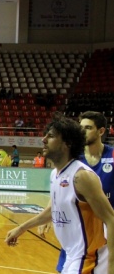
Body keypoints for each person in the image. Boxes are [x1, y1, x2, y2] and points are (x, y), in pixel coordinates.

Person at [5, 114, 114, 273]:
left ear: (67, 143)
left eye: (51, 136)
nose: (43, 140)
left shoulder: (81, 176)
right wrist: (21, 228)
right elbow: (52, 210)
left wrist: (111, 266)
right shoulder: (55, 174)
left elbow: (111, 219)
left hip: (89, 259)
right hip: (71, 255)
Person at [43, 111, 114, 272]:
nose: (82, 131)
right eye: (80, 127)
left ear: (101, 131)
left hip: (106, 230)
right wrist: (49, 215)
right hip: (82, 231)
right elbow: (60, 190)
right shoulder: (74, 159)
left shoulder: (112, 156)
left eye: (88, 127)